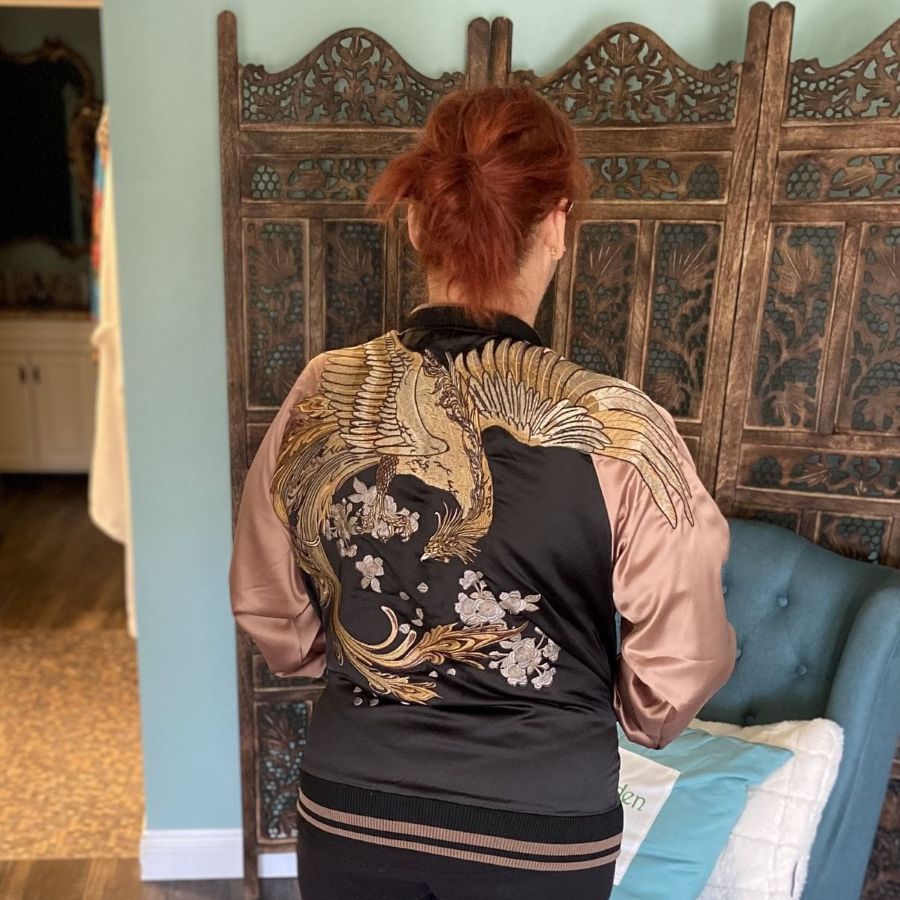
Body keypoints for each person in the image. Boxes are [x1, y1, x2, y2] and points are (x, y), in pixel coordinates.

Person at [228, 85, 737, 900]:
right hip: (542, 830)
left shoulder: (326, 390)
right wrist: (609, 712)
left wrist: (349, 663)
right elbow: (681, 668)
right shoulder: (616, 429)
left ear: (414, 220)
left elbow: (270, 606)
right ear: (558, 224)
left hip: (356, 809)